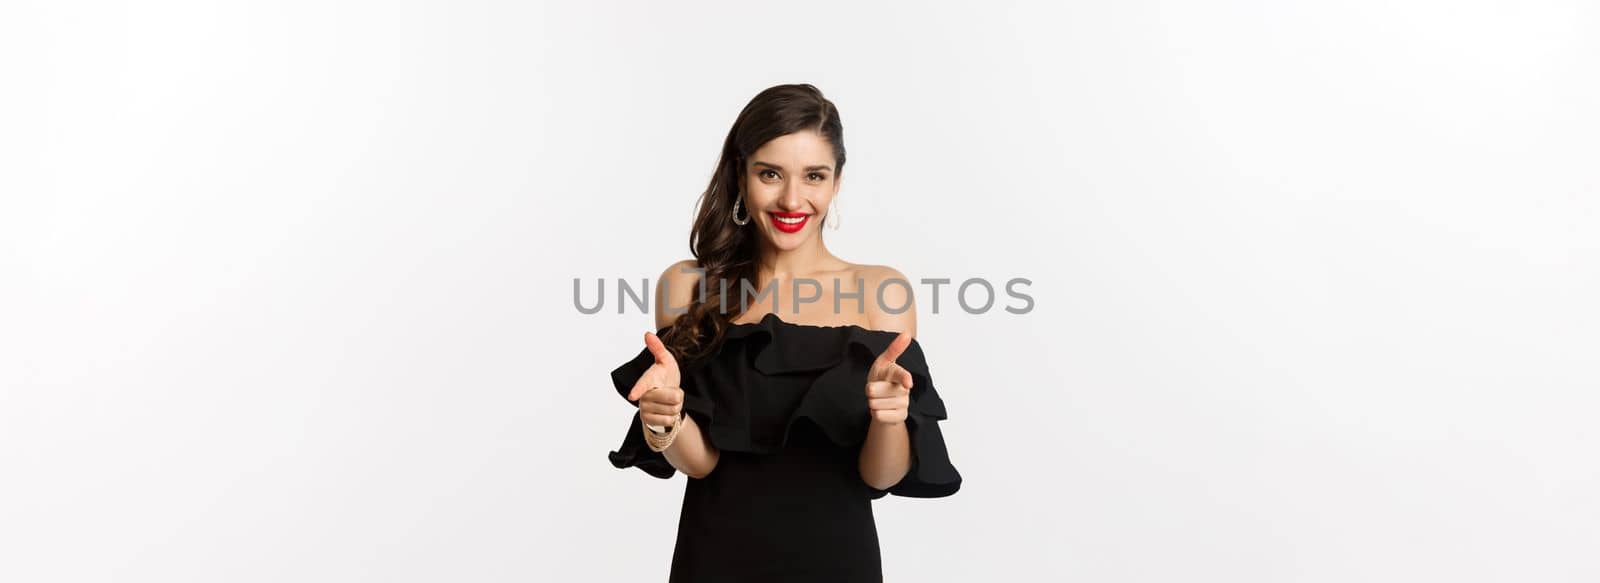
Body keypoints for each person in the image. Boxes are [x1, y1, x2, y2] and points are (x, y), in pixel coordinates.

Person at [607, 83, 961, 582]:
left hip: (839, 560)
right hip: (715, 558)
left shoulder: (882, 291)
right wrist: (666, 418)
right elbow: (703, 463)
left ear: (836, 183)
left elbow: (878, 476)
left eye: (813, 176)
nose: (792, 199)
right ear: (741, 175)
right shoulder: (688, 286)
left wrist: (890, 418)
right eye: (770, 174)